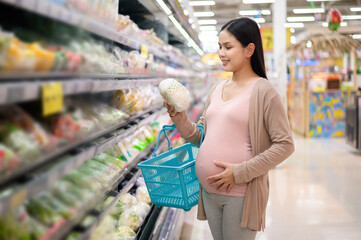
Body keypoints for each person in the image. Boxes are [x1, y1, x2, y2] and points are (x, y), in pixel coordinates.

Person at [165, 17, 294, 240]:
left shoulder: (264, 92)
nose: (221, 53)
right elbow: (200, 136)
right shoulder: (218, 88)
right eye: (219, 47)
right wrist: (179, 118)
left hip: (240, 192)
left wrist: (240, 172)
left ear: (249, 49)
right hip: (209, 193)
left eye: (228, 47)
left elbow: (285, 145)